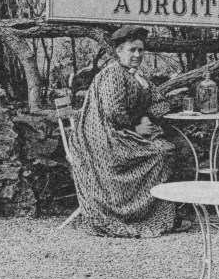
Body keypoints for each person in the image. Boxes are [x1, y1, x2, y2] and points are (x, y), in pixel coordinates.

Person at [69, 25, 176, 238]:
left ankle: (145, 213)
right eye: (132, 50)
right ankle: (133, 214)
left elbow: (160, 102)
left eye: (141, 50)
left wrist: (148, 116)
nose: (137, 55)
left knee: (165, 148)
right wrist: (137, 128)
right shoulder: (113, 74)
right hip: (104, 138)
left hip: (119, 132)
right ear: (119, 52)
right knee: (161, 153)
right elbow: (112, 113)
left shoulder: (137, 75)